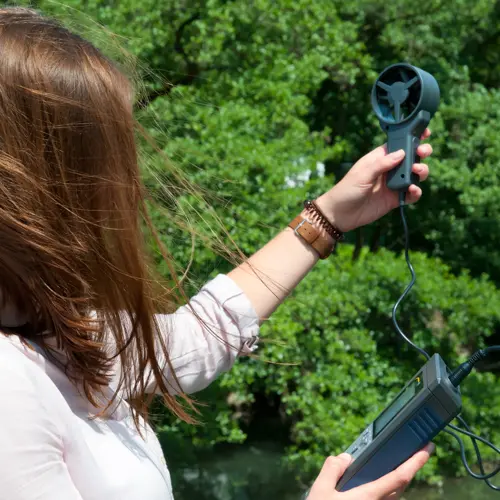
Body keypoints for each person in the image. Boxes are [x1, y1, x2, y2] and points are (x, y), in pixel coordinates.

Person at [0, 7, 435, 500]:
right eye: (110, 149)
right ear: (46, 182)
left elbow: (196, 339)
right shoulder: (9, 386)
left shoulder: (49, 328)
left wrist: (330, 216)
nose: (129, 177)